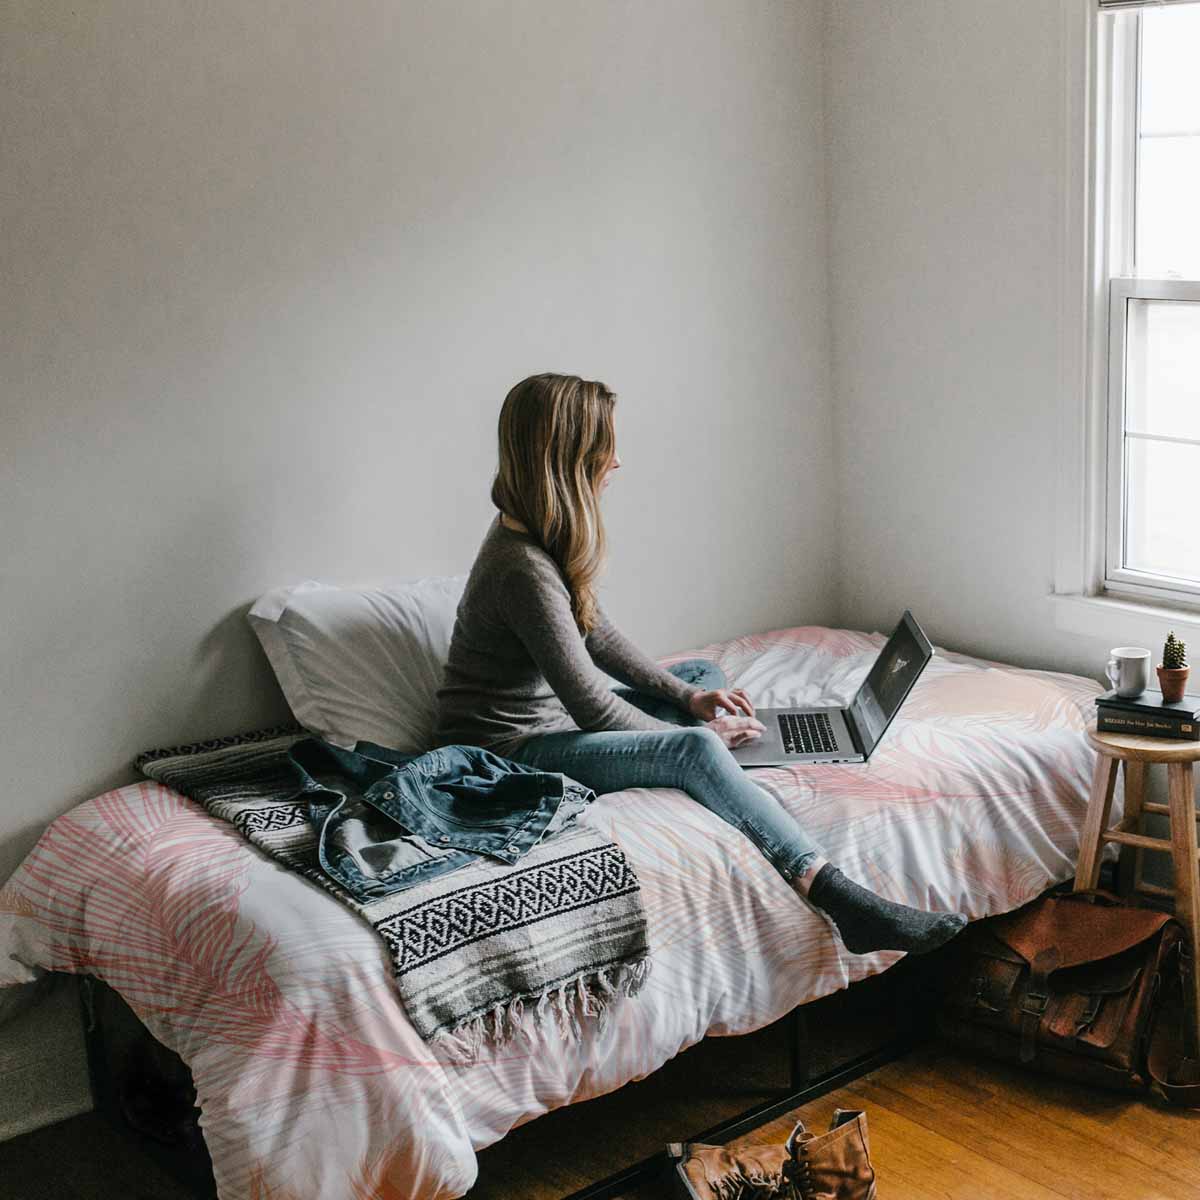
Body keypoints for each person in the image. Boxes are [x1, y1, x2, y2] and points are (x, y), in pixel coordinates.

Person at [433, 373, 966, 956]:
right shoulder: (522, 570)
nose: (618, 460)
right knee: (696, 749)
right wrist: (696, 736)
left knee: (698, 677)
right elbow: (589, 702)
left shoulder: (539, 535)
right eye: (605, 445)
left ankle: (706, 748)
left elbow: (598, 635)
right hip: (508, 753)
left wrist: (687, 702)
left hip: (552, 721)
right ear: (570, 457)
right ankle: (838, 896)